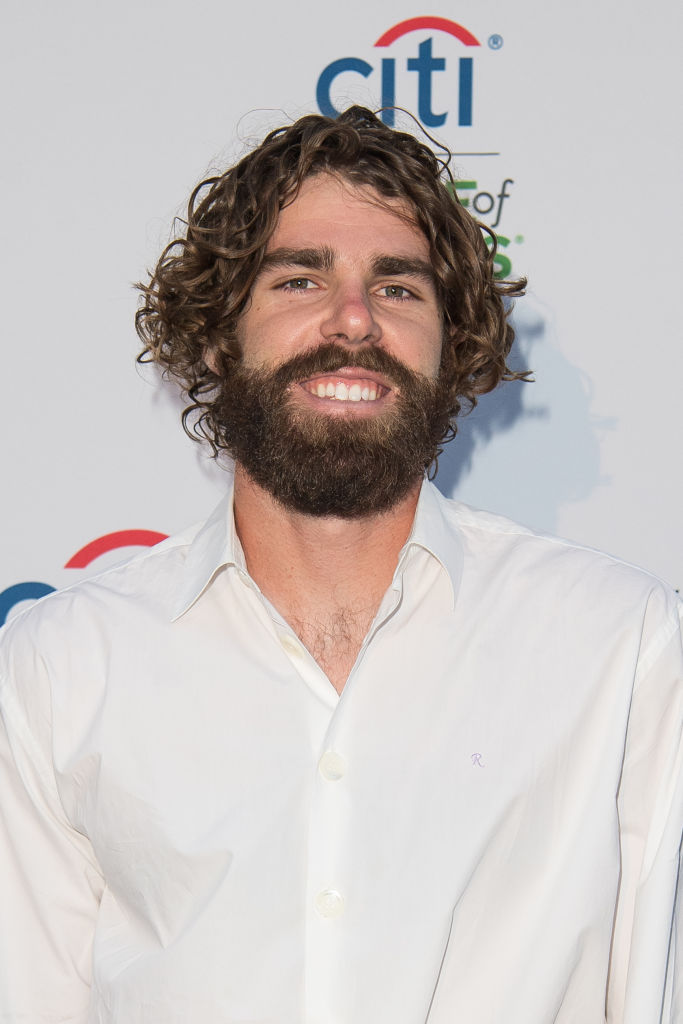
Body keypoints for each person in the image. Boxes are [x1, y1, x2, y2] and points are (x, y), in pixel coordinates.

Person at [0, 106, 680, 1023]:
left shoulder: (617, 646)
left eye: (397, 287)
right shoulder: (61, 666)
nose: (353, 320)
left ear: (452, 345)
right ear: (218, 335)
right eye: (299, 280)